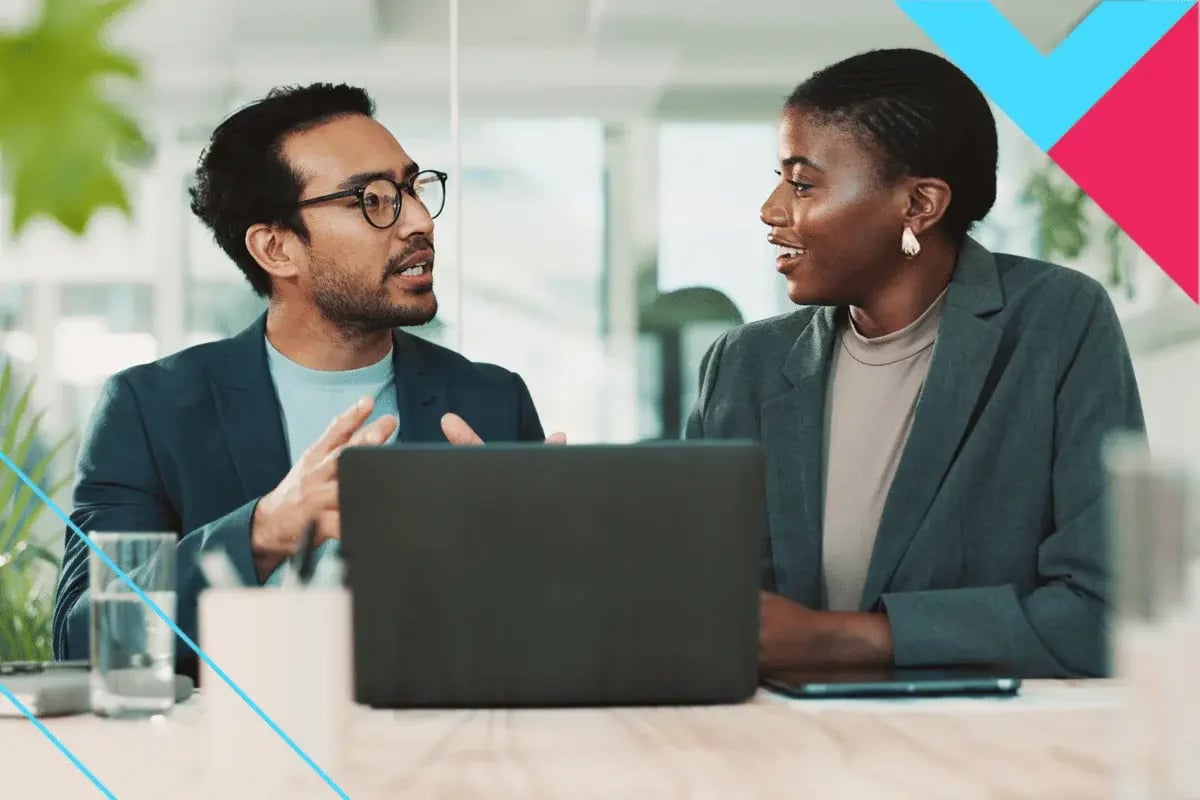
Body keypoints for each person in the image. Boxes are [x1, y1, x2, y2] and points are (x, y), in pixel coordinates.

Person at [52, 83, 560, 679]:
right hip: (236, 759)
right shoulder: (150, 408)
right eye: (372, 200)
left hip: (443, 755)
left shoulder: (490, 401)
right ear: (276, 248)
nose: (419, 221)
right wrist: (264, 529)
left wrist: (547, 555)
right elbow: (85, 641)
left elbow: (550, 638)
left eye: (413, 188)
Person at [684, 48, 1145, 679]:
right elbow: (695, 603)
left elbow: (1105, 615)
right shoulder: (742, 364)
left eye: (801, 183)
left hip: (989, 759)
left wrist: (846, 641)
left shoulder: (1057, 322)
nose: (771, 210)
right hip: (781, 754)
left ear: (919, 206)